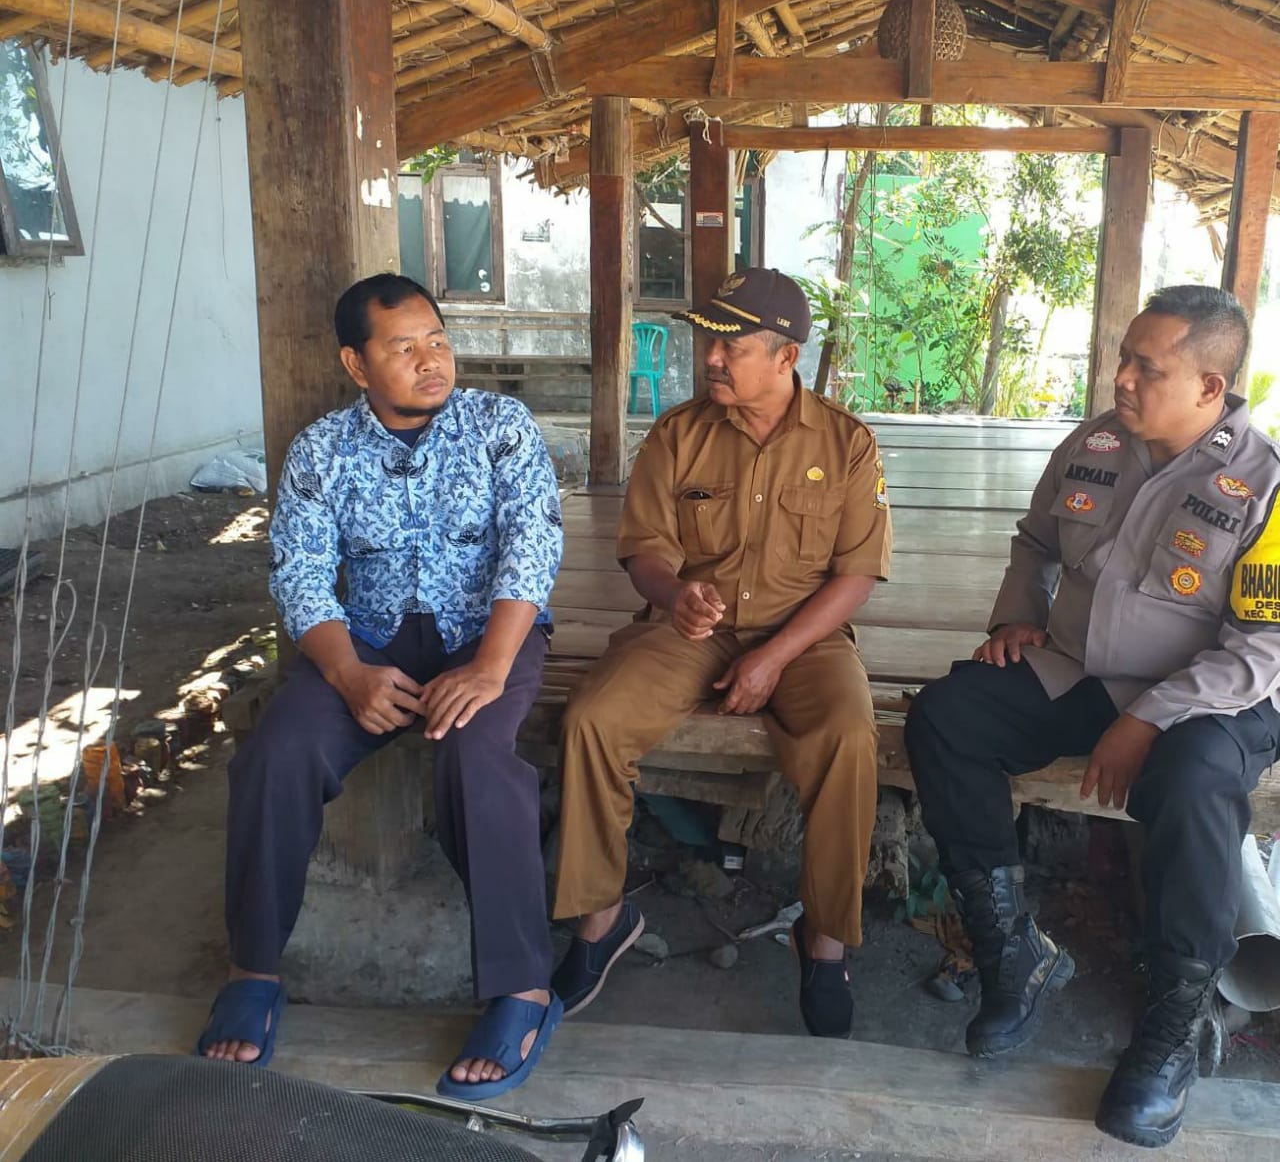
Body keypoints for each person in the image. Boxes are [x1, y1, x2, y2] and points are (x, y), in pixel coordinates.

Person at [904, 286, 1280, 1148]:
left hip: (1214, 694)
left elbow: (1263, 647)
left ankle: (1173, 1026)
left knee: (1195, 784)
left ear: (1210, 387)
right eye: (1123, 358)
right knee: (948, 717)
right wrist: (1015, 617)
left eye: (1149, 368)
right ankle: (1013, 952)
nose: (1123, 378)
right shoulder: (1096, 443)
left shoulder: (1266, 485)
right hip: (1080, 666)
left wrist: (1149, 716)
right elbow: (1036, 543)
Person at [195, 273, 565, 1101]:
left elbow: (533, 546)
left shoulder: (499, 426)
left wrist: (490, 667)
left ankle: (524, 989)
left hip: (486, 633)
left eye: (438, 340)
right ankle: (253, 970)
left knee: (476, 753)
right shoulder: (322, 450)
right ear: (357, 365)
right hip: (366, 643)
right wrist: (347, 672)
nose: (431, 360)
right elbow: (299, 572)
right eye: (404, 347)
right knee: (277, 752)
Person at [550, 267, 892, 1038]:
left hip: (806, 638)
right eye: (709, 341)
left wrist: (775, 657)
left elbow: (857, 574)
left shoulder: (847, 443)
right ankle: (601, 917)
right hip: (691, 630)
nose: (710, 357)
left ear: (785, 356)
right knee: (592, 719)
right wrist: (675, 594)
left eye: (731, 345)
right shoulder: (679, 434)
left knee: (848, 735)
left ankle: (825, 938)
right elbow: (644, 548)